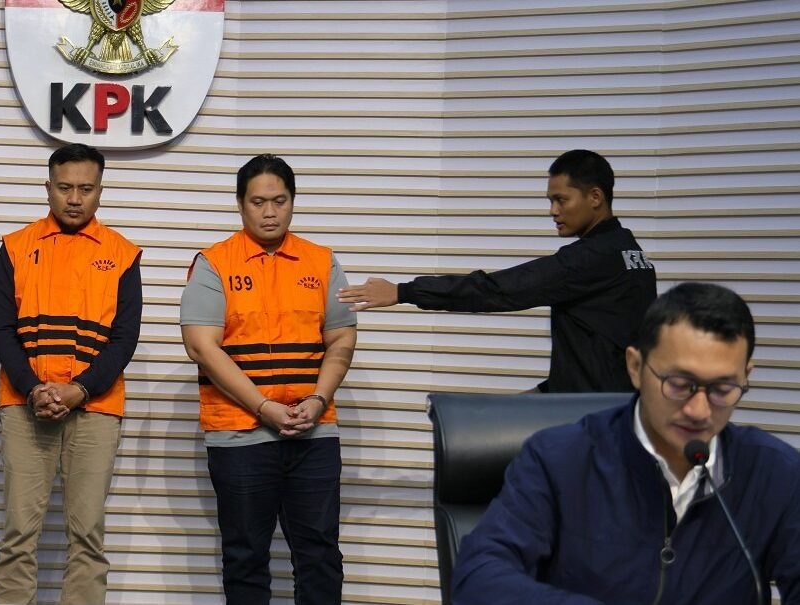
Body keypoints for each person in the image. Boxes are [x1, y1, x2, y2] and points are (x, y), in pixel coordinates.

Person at [452, 282, 800, 604]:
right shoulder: (559, 459)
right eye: (679, 384)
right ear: (635, 367)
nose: (699, 411)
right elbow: (478, 576)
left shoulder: (775, 472)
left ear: (745, 377)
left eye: (723, 389)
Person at [180, 154, 357, 605]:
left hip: (314, 432)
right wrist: (263, 407)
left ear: (293, 201)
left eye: (280, 201)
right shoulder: (214, 263)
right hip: (239, 434)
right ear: (241, 205)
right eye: (258, 202)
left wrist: (318, 400)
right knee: (246, 556)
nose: (270, 212)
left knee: (320, 554)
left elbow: (341, 338)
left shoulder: (321, 261)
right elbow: (202, 346)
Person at [337, 149, 656, 393]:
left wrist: (404, 291)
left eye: (561, 200)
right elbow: (603, 346)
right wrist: (545, 394)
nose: (553, 211)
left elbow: (499, 289)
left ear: (595, 197)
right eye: (550, 201)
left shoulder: (591, 259)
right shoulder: (631, 253)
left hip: (596, 420)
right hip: (614, 409)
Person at [0, 143, 142, 604]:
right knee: (19, 534)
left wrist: (80, 390)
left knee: (87, 536)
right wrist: (33, 388)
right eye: (65, 187)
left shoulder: (122, 254)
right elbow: (1, 328)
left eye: (86, 189)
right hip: (25, 406)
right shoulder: (15, 247)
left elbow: (124, 338)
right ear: (48, 188)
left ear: (100, 191)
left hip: (95, 408)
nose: (75, 199)